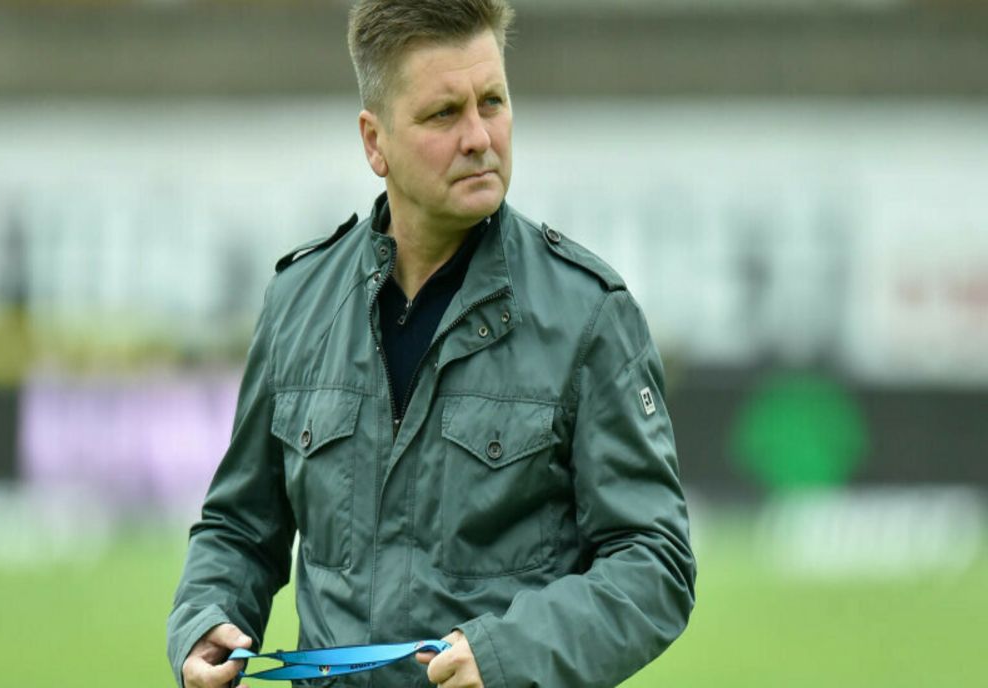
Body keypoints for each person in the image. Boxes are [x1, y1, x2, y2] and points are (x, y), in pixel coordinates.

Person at [167, 1, 696, 687]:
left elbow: (654, 563)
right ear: (375, 142)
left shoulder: (590, 315)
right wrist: (205, 617)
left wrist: (509, 655)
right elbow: (240, 527)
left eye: (492, 102)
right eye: (444, 114)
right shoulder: (297, 303)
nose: (479, 136)